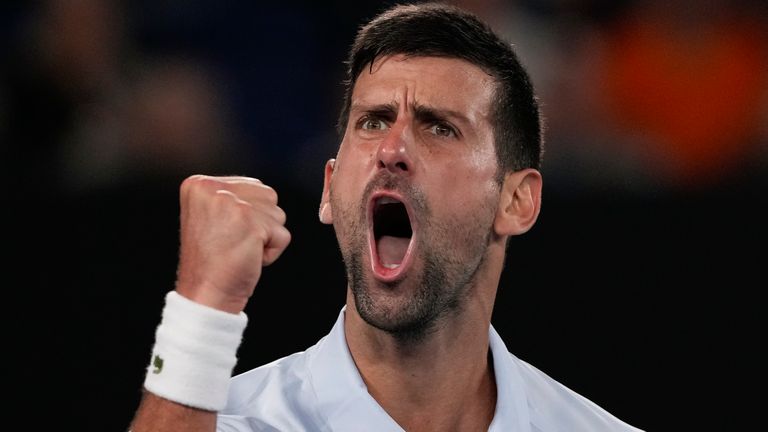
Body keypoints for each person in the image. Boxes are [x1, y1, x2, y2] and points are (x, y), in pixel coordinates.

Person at [129, 3, 643, 431]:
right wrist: (202, 309)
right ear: (330, 188)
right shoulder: (224, 421)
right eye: (373, 122)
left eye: (439, 127)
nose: (392, 149)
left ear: (516, 202)